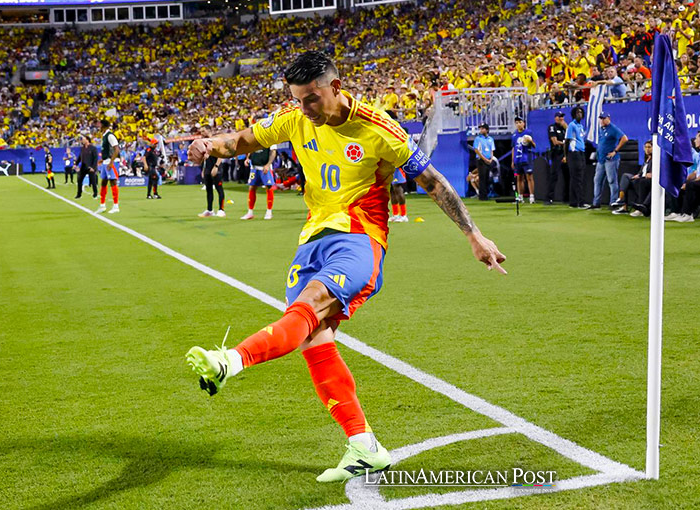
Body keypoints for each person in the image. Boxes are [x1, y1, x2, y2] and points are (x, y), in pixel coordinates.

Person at [183, 52, 506, 483]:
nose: (304, 109)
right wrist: (210, 143)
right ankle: (363, 445)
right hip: (311, 240)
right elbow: (241, 141)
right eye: (298, 99)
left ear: (335, 87)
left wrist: (474, 235)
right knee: (314, 339)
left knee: (310, 307)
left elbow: (431, 181)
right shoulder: (294, 119)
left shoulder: (377, 128)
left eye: (312, 98)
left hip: (360, 239)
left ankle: (230, 362)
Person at [592, 112, 627, 209]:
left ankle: (613, 203)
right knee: (597, 180)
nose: (602, 120)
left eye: (604, 118)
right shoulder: (601, 129)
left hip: (611, 159)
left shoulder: (613, 128)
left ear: (609, 118)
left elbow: (624, 138)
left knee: (612, 181)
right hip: (601, 159)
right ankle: (596, 203)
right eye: (601, 119)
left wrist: (615, 151)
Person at [612, 141, 652, 217]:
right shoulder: (646, 159)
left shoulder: (656, 160)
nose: (647, 149)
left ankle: (640, 208)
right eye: (646, 147)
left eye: (649, 147)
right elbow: (642, 172)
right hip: (641, 178)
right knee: (626, 176)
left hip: (647, 181)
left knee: (641, 182)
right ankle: (622, 203)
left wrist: (651, 175)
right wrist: (638, 175)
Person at [241, 143, 277, 220]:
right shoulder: (255, 136)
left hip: (265, 167)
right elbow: (251, 148)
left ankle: (269, 212)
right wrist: (248, 158)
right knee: (252, 187)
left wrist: (268, 165)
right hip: (254, 167)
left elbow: (273, 152)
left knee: (269, 187)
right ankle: (250, 212)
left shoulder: (270, 136)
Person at [565, 106, 589, 209]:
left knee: (575, 179)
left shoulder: (580, 126)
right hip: (574, 153)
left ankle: (573, 202)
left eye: (581, 112)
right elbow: (566, 141)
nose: (579, 114)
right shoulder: (572, 125)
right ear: (574, 114)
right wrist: (566, 155)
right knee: (578, 178)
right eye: (577, 112)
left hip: (581, 153)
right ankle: (581, 202)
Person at [96, 119, 120, 214]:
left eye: (100, 125)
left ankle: (116, 206)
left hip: (111, 162)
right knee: (103, 182)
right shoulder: (104, 136)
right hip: (106, 162)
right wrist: (104, 159)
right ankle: (102, 205)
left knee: (113, 182)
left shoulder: (110, 135)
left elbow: (116, 149)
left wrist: (111, 162)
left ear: (104, 126)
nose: (99, 127)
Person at [512, 116, 536, 204]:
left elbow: (534, 145)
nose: (518, 124)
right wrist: (512, 160)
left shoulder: (528, 132)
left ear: (524, 123)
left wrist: (530, 141)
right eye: (517, 123)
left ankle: (532, 197)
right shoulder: (514, 135)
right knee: (519, 178)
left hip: (527, 158)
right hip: (517, 159)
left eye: (520, 122)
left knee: (529, 177)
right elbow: (513, 148)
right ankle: (520, 197)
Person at [546, 112, 568, 204]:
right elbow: (555, 142)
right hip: (556, 153)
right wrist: (565, 143)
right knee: (554, 176)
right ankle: (549, 198)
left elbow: (570, 137)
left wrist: (566, 127)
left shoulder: (565, 128)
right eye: (559, 117)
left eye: (562, 117)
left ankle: (566, 198)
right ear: (555, 118)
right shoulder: (552, 127)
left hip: (565, 154)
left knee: (567, 176)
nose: (561, 118)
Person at [471, 123, 495, 200]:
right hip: (481, 160)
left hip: (488, 160)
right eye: (480, 128)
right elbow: (476, 150)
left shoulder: (490, 139)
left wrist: (491, 159)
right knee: (482, 177)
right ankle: (482, 196)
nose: (481, 130)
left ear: (487, 130)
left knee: (487, 177)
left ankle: (486, 194)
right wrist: (485, 159)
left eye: (482, 128)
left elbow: (492, 150)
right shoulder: (478, 139)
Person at [199, 153, 226, 217]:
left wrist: (216, 166)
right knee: (209, 190)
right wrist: (203, 169)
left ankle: (221, 210)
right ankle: (209, 210)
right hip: (207, 168)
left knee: (219, 189)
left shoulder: (217, 143)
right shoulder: (206, 144)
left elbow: (221, 155)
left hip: (216, 168)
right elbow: (204, 157)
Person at [75, 135, 98, 200]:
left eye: (83, 139)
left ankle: (95, 194)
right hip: (83, 167)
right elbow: (80, 157)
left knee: (93, 181)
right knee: (79, 180)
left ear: (87, 140)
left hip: (90, 167)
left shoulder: (93, 148)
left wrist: (93, 167)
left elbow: (95, 158)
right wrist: (75, 164)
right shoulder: (82, 148)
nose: (82, 140)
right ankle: (79, 194)